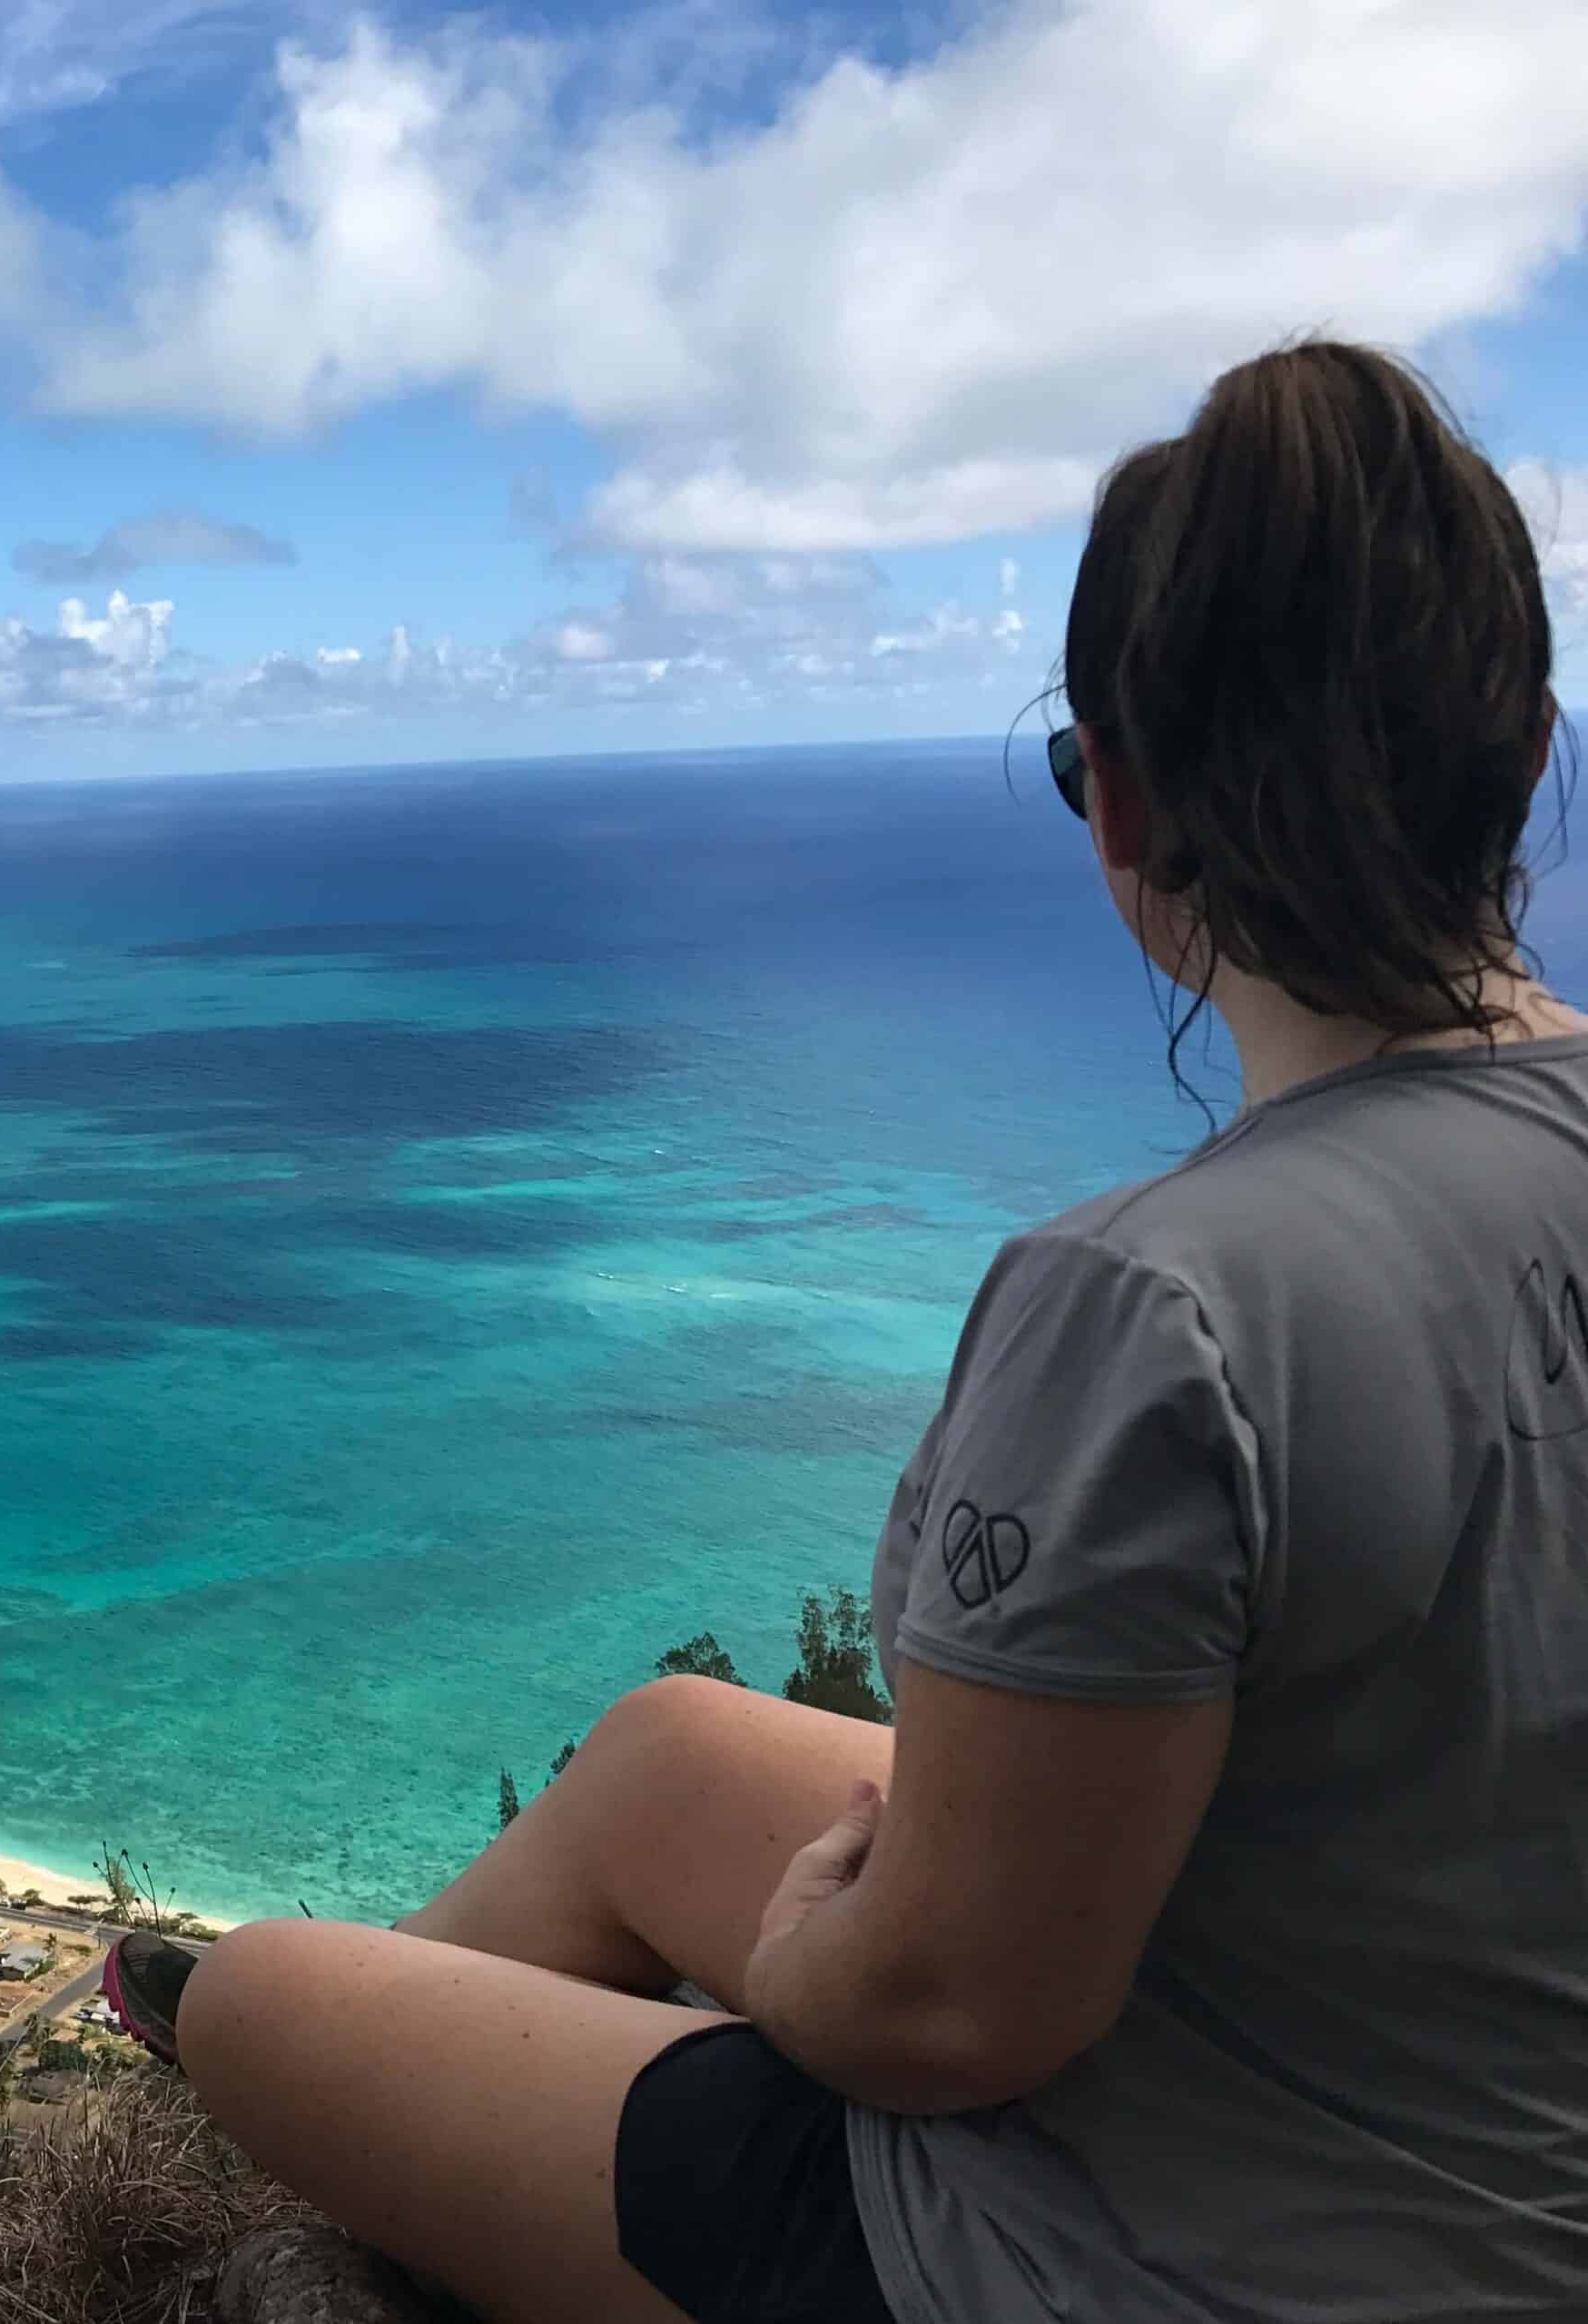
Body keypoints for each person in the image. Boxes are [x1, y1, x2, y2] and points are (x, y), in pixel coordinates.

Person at [105, 341, 1588, 2323]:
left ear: (1121, 810)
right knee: (653, 1753)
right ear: (1519, 754)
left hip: (1132, 2267)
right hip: (1474, 2139)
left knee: (264, 1995)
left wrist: (803, 1953)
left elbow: (950, 2011)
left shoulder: (1161, 1302)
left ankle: (390, 2187)